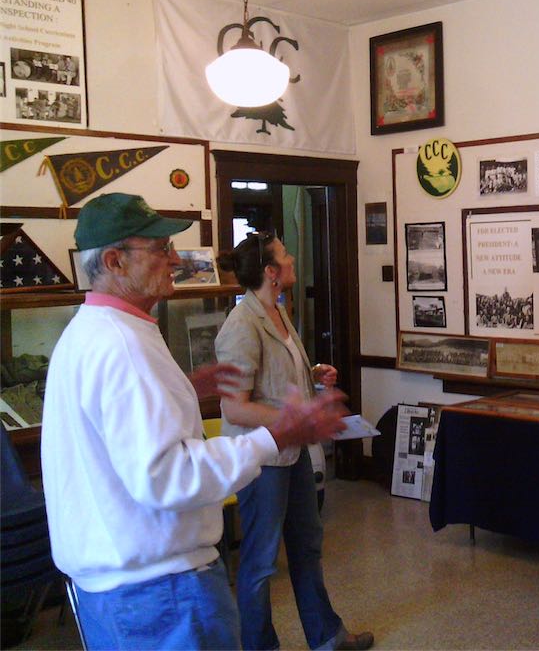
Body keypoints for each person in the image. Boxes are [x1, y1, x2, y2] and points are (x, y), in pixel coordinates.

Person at [40, 193, 348, 651]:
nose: (175, 259)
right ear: (113, 261)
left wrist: (184, 387)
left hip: (131, 590)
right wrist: (275, 435)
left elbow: (123, 430)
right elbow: (168, 477)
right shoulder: (121, 347)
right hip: (160, 596)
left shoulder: (96, 332)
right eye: (160, 248)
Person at [215, 231, 373, 651]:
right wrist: (295, 419)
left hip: (294, 453)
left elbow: (274, 381)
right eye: (284, 254)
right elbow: (235, 408)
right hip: (262, 459)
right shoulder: (242, 324)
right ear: (271, 272)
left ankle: (327, 637)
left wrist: (313, 375)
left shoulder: (278, 313)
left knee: (306, 546)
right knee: (261, 563)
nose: (291, 258)